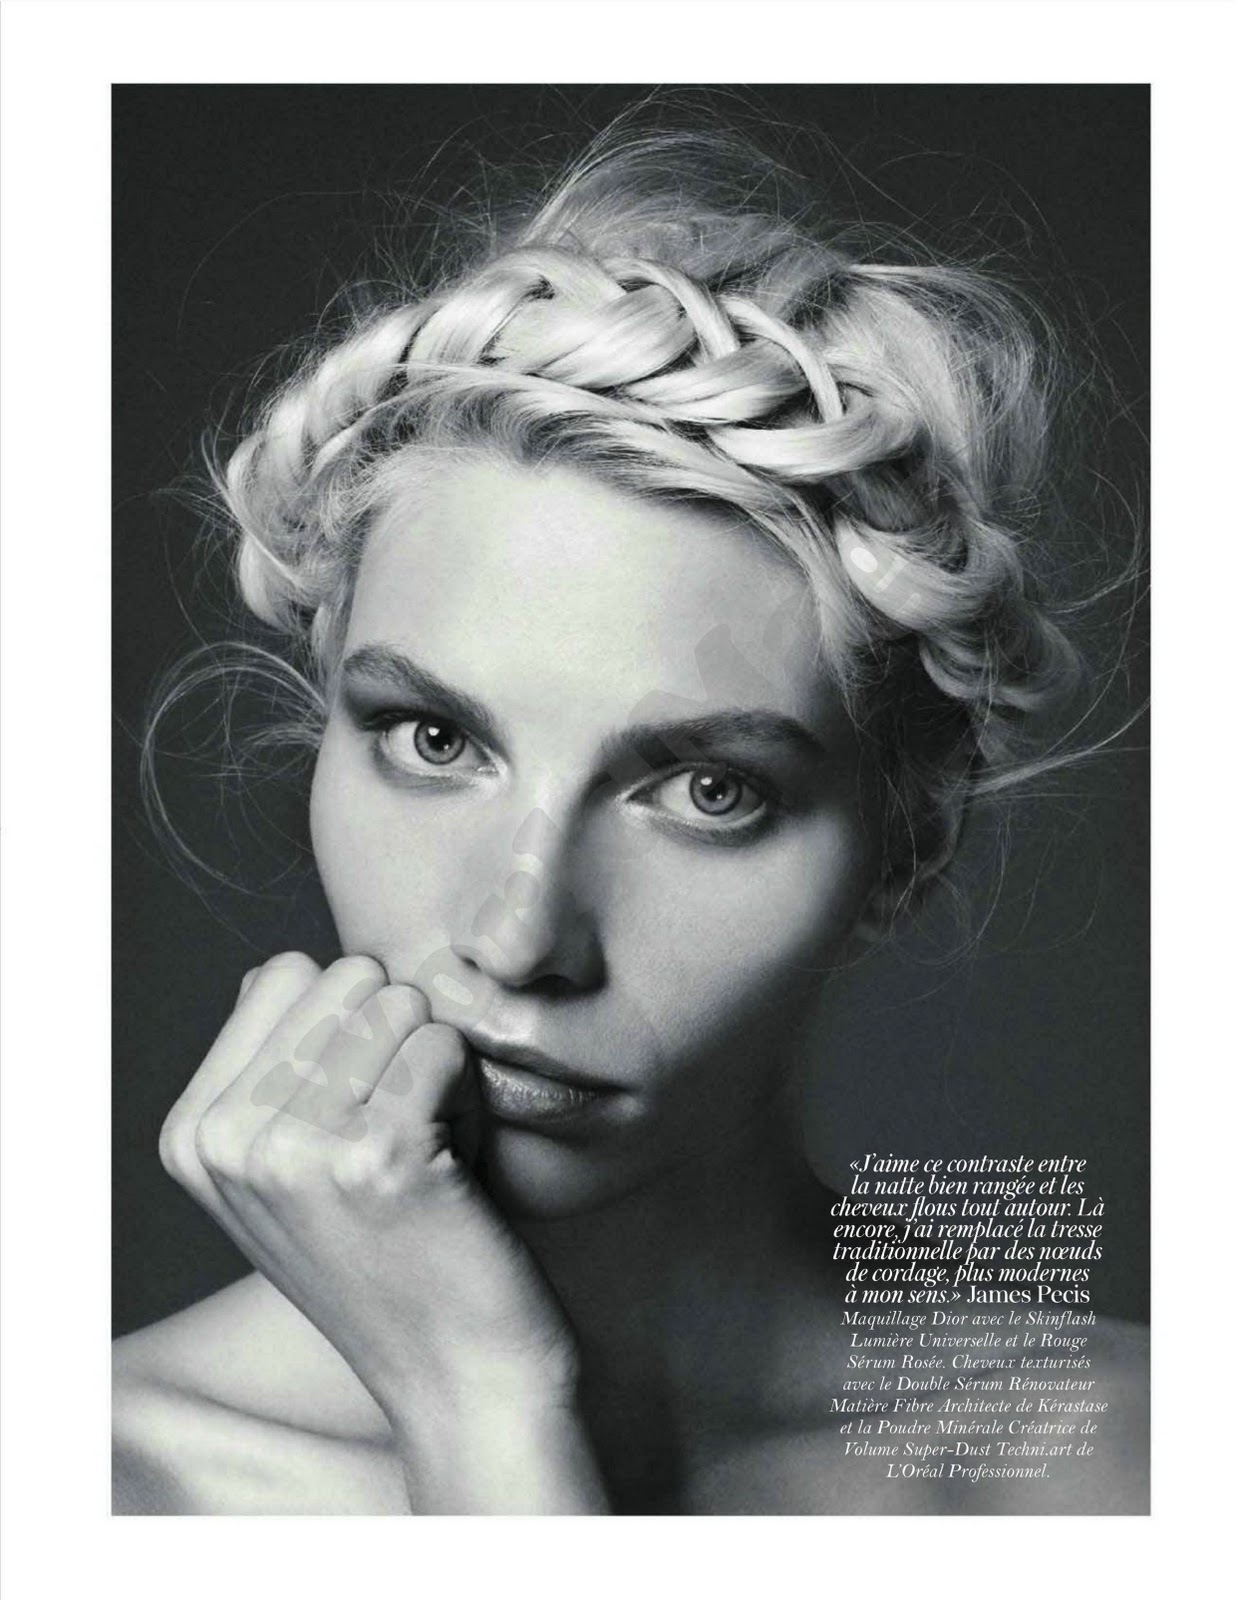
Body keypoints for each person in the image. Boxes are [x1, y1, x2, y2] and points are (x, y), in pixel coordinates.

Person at [112, 122, 1148, 1514]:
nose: (518, 935)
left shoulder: (1153, 1473)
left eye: (707, 790)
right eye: (434, 740)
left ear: (910, 836)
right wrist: (469, 1389)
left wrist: (479, 1414)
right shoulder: (95, 1489)